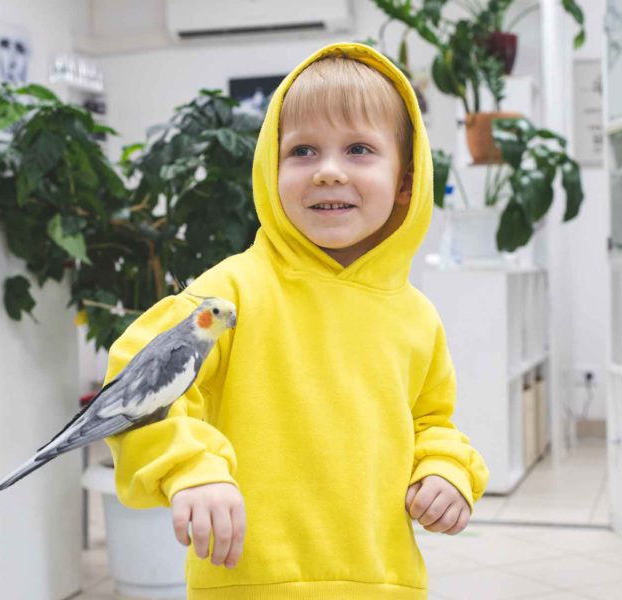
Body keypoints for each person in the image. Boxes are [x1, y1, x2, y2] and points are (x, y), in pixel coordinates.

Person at [103, 42, 489, 599]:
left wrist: (448, 471)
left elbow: (432, 423)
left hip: (383, 583)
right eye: (303, 151)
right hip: (250, 583)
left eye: (358, 149)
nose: (328, 172)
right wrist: (192, 468)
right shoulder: (231, 294)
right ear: (270, 165)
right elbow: (138, 380)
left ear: (406, 180)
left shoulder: (415, 316)